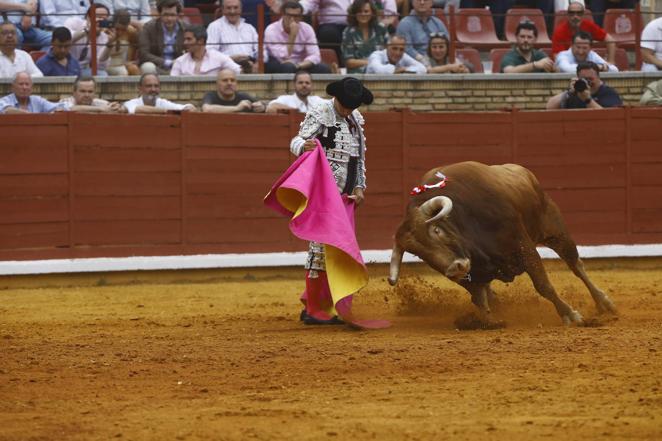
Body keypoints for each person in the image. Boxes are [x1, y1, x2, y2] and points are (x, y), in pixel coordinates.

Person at [289, 77, 373, 325]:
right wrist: (302, 146)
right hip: (322, 195)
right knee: (319, 250)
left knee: (341, 251)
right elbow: (295, 140)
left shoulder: (356, 120)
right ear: (336, 98)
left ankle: (333, 307)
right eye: (345, 105)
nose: (347, 110)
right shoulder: (320, 112)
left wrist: (359, 187)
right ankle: (315, 309)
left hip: (345, 198)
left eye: (352, 106)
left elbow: (359, 160)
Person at [301, 0, 397, 63]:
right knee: (328, 34)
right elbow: (307, 3)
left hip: (366, 23)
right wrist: (297, 10)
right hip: (332, 26)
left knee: (382, 29)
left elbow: (389, 6)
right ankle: (340, 66)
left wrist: (389, 17)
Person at [264, 1, 331, 74]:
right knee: (288, 67)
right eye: (289, 15)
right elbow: (283, 57)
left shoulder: (307, 28)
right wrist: (292, 35)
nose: (292, 19)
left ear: (301, 17)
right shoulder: (271, 29)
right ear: (283, 15)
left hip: (301, 65)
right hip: (280, 64)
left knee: (324, 68)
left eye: (296, 16)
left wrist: (298, 65)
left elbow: (315, 55)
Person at [552, 0, 616, 64]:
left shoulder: (589, 25)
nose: (575, 16)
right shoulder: (559, 31)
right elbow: (557, 56)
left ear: (583, 15)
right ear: (568, 15)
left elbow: (610, 41)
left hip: (587, 62)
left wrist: (611, 61)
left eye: (579, 13)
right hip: (568, 64)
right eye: (572, 13)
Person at [206, 0, 261, 74]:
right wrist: (230, 59)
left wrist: (258, 63)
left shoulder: (249, 28)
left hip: (250, 64)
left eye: (236, 8)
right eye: (228, 8)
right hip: (226, 66)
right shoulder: (214, 26)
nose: (232, 11)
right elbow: (210, 51)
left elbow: (260, 48)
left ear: (241, 9)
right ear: (222, 10)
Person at [546, 60, 622, 109]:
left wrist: (588, 100)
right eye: (584, 79)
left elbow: (608, 116)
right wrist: (569, 92)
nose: (588, 82)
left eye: (590, 79)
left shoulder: (608, 93)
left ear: (598, 77)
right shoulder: (574, 93)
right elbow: (549, 107)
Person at [170, 25, 241, 76]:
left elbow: (238, 71)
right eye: (185, 39)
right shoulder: (180, 61)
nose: (185, 43)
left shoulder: (219, 57)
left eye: (189, 39)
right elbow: (172, 84)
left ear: (200, 41)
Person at [340, 0, 389, 74]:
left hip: (380, 72)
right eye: (359, 11)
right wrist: (373, 62)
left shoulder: (381, 28)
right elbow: (349, 62)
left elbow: (389, 54)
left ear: (372, 13)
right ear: (354, 13)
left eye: (366, 11)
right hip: (357, 74)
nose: (363, 14)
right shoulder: (348, 32)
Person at [138, 0, 185, 74]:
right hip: (157, 65)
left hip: (179, 65)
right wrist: (168, 62)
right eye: (165, 15)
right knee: (148, 67)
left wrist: (179, 62)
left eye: (172, 15)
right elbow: (144, 54)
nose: (169, 18)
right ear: (159, 14)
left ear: (178, 15)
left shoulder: (185, 28)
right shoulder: (149, 27)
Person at [66, 3, 112, 76]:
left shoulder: (104, 38)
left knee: (102, 74)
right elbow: (65, 40)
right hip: (65, 66)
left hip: (83, 70)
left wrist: (109, 46)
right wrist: (87, 31)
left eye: (104, 19)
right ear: (88, 17)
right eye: (98, 17)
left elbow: (101, 66)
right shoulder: (74, 23)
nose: (100, 21)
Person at [123, 72, 196, 113]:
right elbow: (139, 109)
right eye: (149, 86)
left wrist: (188, 107)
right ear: (140, 88)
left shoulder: (163, 103)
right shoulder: (131, 103)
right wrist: (166, 111)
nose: (153, 89)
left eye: (156, 86)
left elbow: (188, 108)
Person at [201, 68, 266, 113]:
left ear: (236, 83)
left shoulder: (243, 96)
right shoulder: (211, 95)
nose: (229, 83)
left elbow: (263, 105)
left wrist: (262, 107)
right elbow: (207, 109)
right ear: (217, 84)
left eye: (232, 80)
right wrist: (237, 108)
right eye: (225, 80)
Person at [59, 75, 124, 112]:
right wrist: (100, 109)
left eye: (90, 92)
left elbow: (114, 107)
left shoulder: (98, 103)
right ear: (74, 92)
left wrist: (115, 107)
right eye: (82, 91)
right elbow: (70, 108)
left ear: (95, 93)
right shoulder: (66, 101)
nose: (87, 95)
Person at [105, 9, 140, 76]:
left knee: (133, 69)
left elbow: (134, 48)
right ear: (113, 23)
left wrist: (130, 62)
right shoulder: (106, 30)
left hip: (123, 62)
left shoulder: (131, 32)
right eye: (117, 29)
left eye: (123, 30)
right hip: (108, 64)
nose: (120, 32)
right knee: (122, 72)